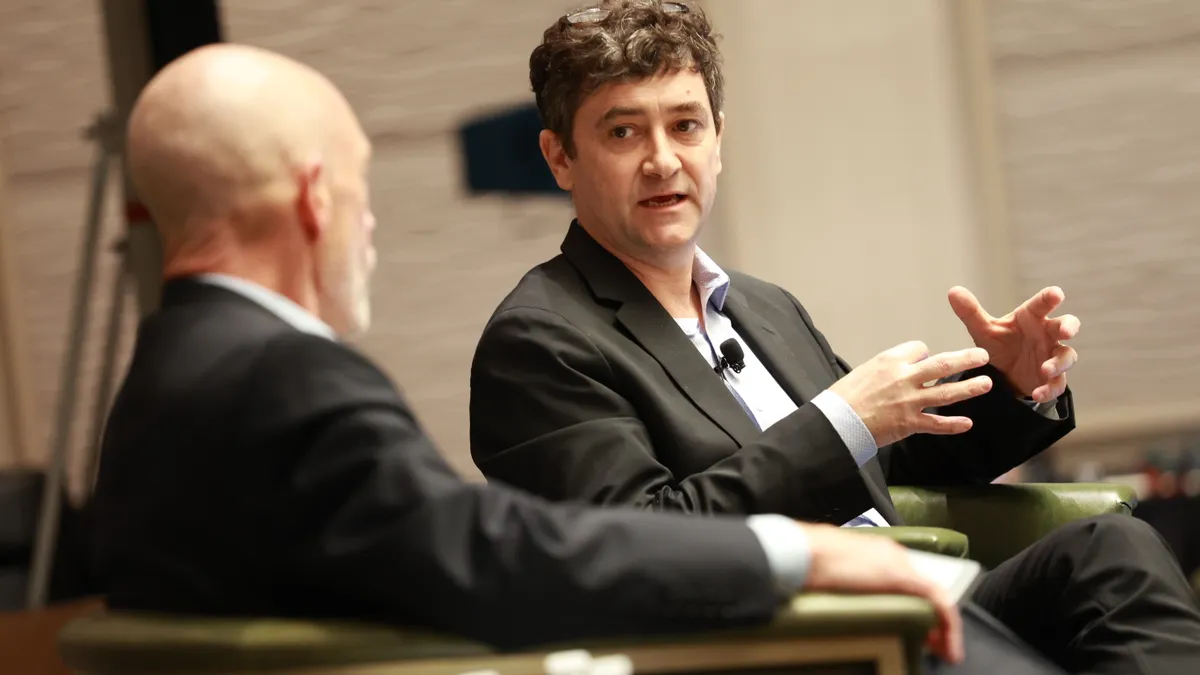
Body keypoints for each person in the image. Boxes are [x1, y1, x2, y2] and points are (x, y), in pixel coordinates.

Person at [86, 41, 1002, 668]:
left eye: (686, 125)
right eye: (365, 188)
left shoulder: (165, 378)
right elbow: (498, 555)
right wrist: (794, 557)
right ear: (320, 199)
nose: (370, 227)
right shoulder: (281, 377)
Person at [467, 1, 1200, 673]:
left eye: (685, 125)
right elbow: (640, 544)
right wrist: (841, 418)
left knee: (1115, 550)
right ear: (560, 156)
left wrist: (1010, 384)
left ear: (718, 140)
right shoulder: (539, 341)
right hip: (787, 635)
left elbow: (879, 457)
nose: (663, 159)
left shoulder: (761, 306)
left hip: (911, 599)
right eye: (623, 131)